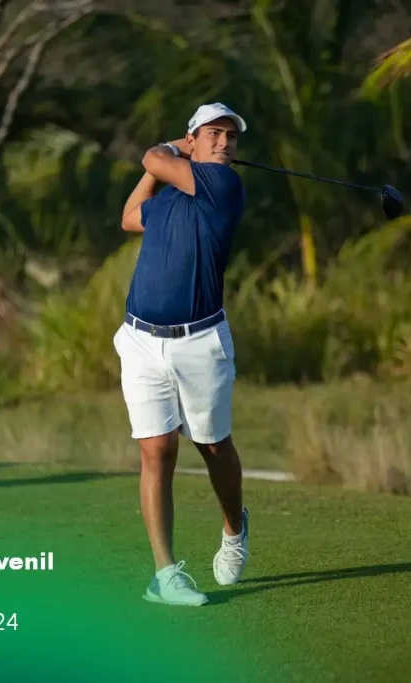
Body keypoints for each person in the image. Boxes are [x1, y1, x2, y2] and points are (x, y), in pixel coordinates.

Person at [114, 102, 250, 606]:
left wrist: (175, 148)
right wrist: (174, 156)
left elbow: (152, 157)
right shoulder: (172, 197)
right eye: (214, 134)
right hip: (140, 340)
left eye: (231, 137)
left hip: (200, 342)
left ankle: (234, 529)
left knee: (213, 447)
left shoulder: (224, 186)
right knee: (156, 450)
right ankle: (164, 575)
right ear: (193, 141)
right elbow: (130, 217)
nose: (225, 143)